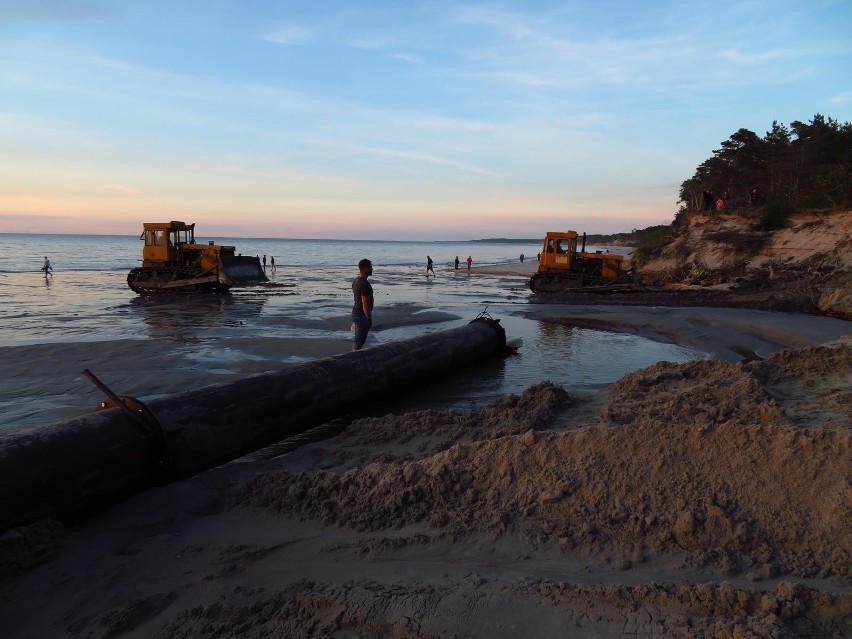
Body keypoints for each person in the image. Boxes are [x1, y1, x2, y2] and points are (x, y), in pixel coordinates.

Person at [351, 258, 374, 351]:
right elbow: (365, 303)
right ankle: (353, 360)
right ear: (365, 268)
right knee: (358, 342)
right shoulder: (364, 284)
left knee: (359, 340)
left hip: (356, 314)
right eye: (370, 267)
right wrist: (368, 318)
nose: (372, 269)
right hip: (361, 316)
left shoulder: (356, 281)